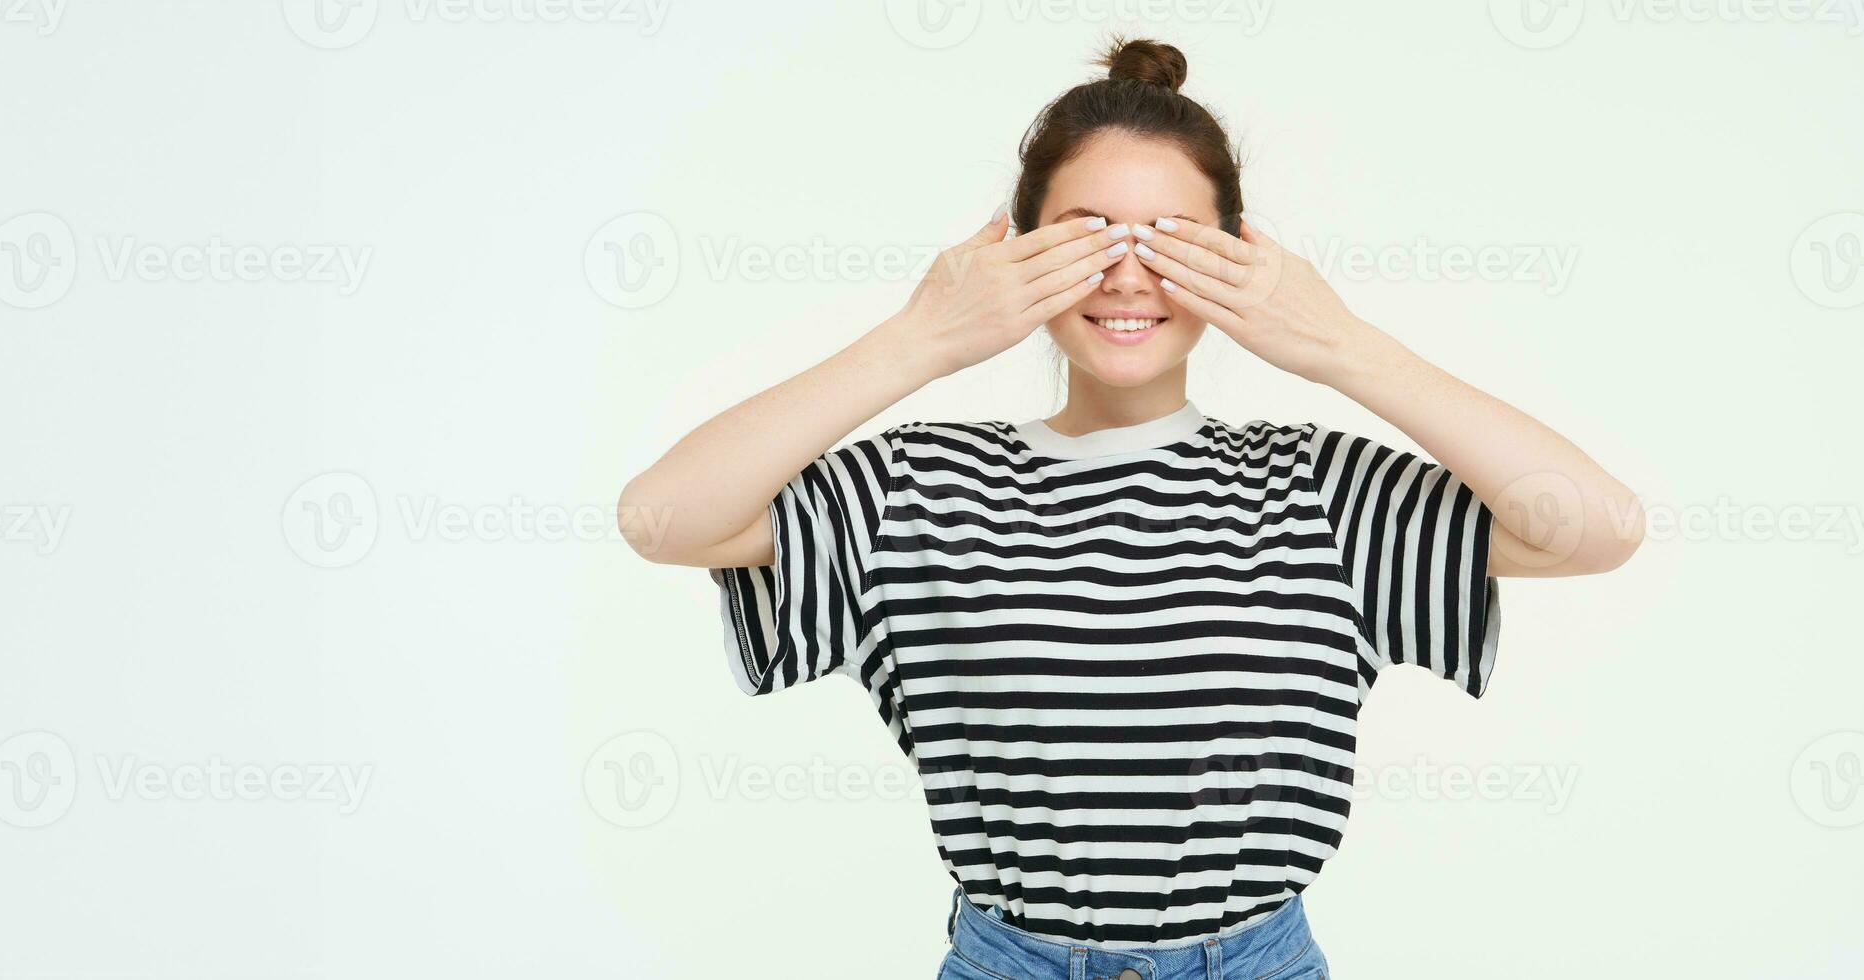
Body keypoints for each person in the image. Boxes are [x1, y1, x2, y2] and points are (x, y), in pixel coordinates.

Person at [619, 35, 1642, 979]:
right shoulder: (912, 488)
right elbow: (662, 516)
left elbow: (1595, 527)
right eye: (1083, 234)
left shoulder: (1323, 490)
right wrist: (919, 340)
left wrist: (1337, 342)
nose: (1125, 273)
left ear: (1237, 258)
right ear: (1013, 252)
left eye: (1171, 238)